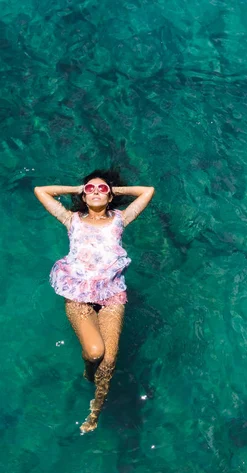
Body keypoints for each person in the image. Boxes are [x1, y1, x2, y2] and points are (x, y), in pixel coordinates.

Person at [34, 170, 155, 433]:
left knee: (109, 360)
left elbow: (147, 191)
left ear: (111, 195)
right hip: (78, 293)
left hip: (111, 293)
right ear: (83, 196)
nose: (96, 192)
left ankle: (95, 411)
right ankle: (89, 370)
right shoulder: (72, 219)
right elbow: (41, 191)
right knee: (94, 353)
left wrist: (113, 190)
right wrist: (79, 187)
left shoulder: (121, 219)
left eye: (102, 190)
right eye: (91, 190)